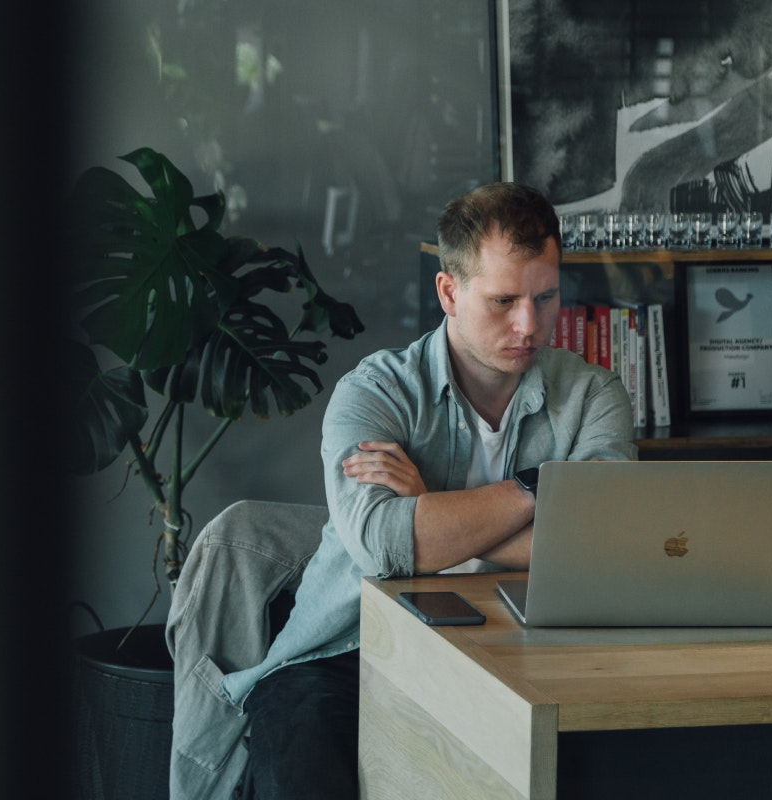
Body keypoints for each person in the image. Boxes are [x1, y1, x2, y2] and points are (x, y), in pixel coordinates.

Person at [223, 182, 637, 798]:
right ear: (449, 291)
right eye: (503, 300)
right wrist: (536, 492)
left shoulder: (594, 395)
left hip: (521, 648)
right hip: (344, 652)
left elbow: (601, 540)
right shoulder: (374, 394)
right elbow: (387, 548)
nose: (529, 324)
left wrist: (434, 511)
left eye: (545, 297)